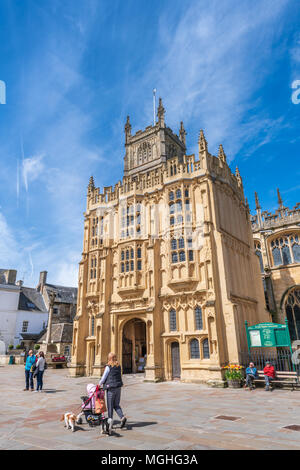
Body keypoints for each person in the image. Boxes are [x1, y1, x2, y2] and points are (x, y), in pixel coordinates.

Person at [99, 352, 127, 435]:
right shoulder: (118, 366)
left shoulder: (108, 366)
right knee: (116, 404)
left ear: (109, 358)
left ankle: (110, 422)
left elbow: (104, 377)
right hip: (118, 387)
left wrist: (99, 384)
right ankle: (122, 417)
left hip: (111, 388)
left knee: (110, 405)